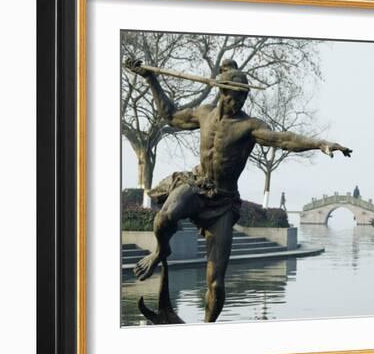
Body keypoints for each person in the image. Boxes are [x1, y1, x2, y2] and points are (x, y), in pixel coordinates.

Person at [125, 58, 352, 323]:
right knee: (164, 218)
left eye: (244, 98)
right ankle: (161, 250)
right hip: (197, 185)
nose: (241, 102)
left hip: (223, 202)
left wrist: (319, 143)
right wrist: (150, 79)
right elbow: (170, 116)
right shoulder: (204, 113)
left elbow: (285, 139)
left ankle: (207, 333)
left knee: (216, 284)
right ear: (223, 92)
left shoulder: (249, 126)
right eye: (237, 97)